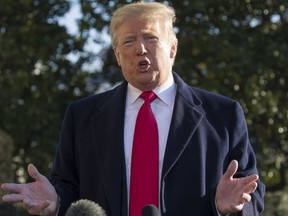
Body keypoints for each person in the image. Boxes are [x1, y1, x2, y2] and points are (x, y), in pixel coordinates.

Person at [1, 2, 265, 216]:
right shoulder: (82, 116)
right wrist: (56, 203)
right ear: (117, 56)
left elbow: (250, 191)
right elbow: (69, 189)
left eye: (151, 38)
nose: (140, 49)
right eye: (128, 42)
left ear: (172, 48)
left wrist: (230, 208)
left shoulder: (223, 114)